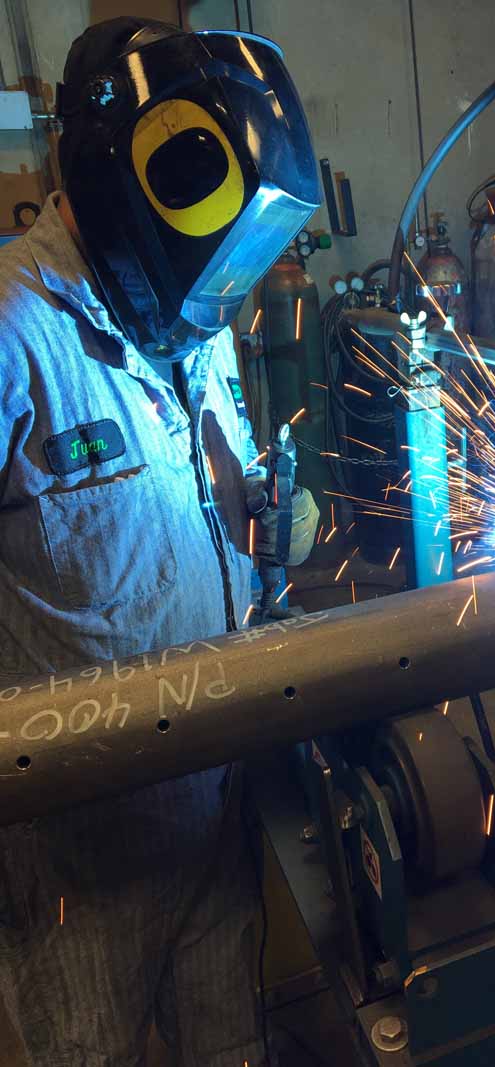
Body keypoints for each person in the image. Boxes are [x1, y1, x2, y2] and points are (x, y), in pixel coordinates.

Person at [0, 17, 320, 1066]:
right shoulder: (14, 333)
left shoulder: (193, 311)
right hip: (73, 860)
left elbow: (221, 485)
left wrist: (281, 520)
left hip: (213, 806)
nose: (217, 303)